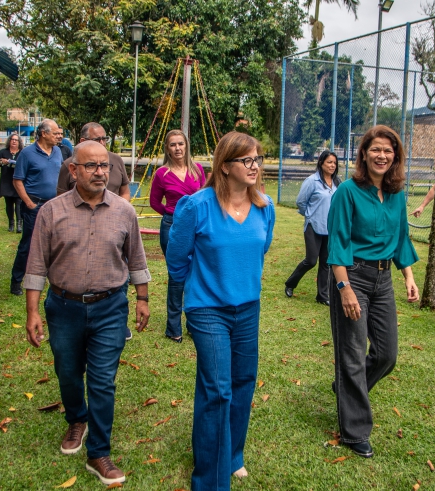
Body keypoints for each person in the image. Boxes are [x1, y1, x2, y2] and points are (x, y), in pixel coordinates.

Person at [24, 141, 150, 486]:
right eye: (91, 166)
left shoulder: (124, 211)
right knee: (67, 371)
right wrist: (32, 311)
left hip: (110, 307)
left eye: (104, 166)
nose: (100, 172)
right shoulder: (51, 212)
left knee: (102, 381)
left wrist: (142, 298)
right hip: (63, 308)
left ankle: (99, 452)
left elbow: (136, 258)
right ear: (73, 171)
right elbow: (36, 265)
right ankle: (76, 419)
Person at [166, 132, 275, 490]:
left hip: (248, 309)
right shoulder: (196, 206)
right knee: (218, 389)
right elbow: (176, 260)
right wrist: (194, 295)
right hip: (207, 310)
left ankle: (232, 455)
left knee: (243, 383)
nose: (255, 165)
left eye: (257, 158)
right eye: (247, 160)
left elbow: (260, 250)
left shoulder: (265, 207)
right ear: (225, 167)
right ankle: (210, 479)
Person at [328, 125, 420, 458]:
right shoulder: (347, 192)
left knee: (386, 355)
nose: (382, 156)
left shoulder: (397, 194)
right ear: (364, 154)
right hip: (351, 276)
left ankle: (346, 388)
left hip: (383, 280)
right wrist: (344, 289)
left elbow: (401, 238)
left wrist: (408, 276)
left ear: (395, 157)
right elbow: (337, 244)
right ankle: (355, 432)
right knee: (352, 355)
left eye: (388, 150)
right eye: (375, 149)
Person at [149, 129, 205, 342]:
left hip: (197, 227)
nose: (177, 148)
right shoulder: (161, 174)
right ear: (168, 148)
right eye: (173, 144)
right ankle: (174, 328)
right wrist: (172, 216)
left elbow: (203, 196)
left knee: (196, 275)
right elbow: (155, 202)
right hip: (172, 227)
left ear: (186, 145)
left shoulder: (198, 170)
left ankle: (193, 323)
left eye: (180, 143)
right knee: (177, 276)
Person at [10, 119, 62, 296]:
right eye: (54, 133)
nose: (58, 136)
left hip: (54, 205)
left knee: (55, 245)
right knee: (29, 245)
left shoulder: (58, 152)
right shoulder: (27, 153)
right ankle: (16, 281)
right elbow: (17, 180)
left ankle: (53, 281)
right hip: (34, 205)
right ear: (43, 133)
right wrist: (28, 202)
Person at [284, 150, 340, 305]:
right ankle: (290, 283)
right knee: (311, 260)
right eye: (329, 162)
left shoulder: (337, 182)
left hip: (330, 228)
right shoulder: (312, 181)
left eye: (334, 163)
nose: (332, 165)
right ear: (321, 163)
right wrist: (309, 215)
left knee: (326, 263)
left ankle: (322, 296)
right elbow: (301, 202)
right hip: (313, 226)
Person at [57, 123, 130, 200]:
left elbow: (125, 192)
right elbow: (61, 199)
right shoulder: (69, 165)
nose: (102, 143)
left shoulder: (116, 160)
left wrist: (119, 209)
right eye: (97, 140)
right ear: (83, 141)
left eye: (104, 139)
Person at [0, 133, 24, 233]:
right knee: (9, 204)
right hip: (7, 181)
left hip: (19, 180)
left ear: (19, 142)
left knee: (19, 203)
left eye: (16, 140)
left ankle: (19, 224)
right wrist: (2, 161)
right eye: (12, 139)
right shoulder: (3, 152)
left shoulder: (23, 153)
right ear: (9, 141)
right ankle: (11, 224)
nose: (14, 141)